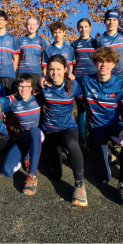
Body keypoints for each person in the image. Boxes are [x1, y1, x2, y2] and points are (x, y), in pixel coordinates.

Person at [80, 47, 123, 206]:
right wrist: (45, 79)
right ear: (95, 63)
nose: (104, 64)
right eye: (100, 61)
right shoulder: (85, 80)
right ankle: (108, 157)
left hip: (114, 127)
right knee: (103, 179)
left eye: (108, 61)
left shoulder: (122, 85)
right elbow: (67, 84)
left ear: (114, 64)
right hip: (96, 131)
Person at [40, 54, 87, 207]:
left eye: (58, 69)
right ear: (47, 70)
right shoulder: (43, 85)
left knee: (72, 142)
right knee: (56, 175)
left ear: (65, 69)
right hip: (50, 129)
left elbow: (84, 99)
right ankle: (60, 155)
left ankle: (79, 184)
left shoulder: (73, 85)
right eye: (51, 69)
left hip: (68, 127)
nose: (55, 73)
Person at [1, 73, 45, 195]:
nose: (23, 89)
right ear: (17, 87)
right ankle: (25, 156)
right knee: (6, 171)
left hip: (37, 137)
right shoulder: (14, 102)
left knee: (34, 130)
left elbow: (55, 91)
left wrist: (44, 81)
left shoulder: (39, 98)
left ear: (32, 87)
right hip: (22, 139)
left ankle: (32, 176)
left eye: (27, 86)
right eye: (20, 86)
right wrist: (13, 95)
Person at [71, 18, 97, 145]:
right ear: (78, 29)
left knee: (93, 109)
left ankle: (95, 138)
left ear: (90, 28)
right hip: (78, 80)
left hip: (93, 79)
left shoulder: (96, 42)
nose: (83, 29)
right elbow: (71, 62)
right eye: (81, 27)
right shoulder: (74, 44)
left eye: (86, 26)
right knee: (81, 109)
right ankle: (82, 138)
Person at [94, 9, 123, 84]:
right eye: (109, 19)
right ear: (105, 22)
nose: (111, 22)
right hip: (108, 75)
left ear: (118, 22)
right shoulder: (100, 40)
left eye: (114, 19)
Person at [17, 17, 47, 90]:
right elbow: (17, 57)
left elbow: (45, 60)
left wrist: (45, 75)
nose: (31, 26)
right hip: (22, 71)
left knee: (36, 94)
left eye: (34, 24)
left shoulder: (41, 41)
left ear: (37, 26)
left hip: (36, 71)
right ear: (26, 26)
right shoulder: (20, 40)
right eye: (29, 24)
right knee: (22, 93)